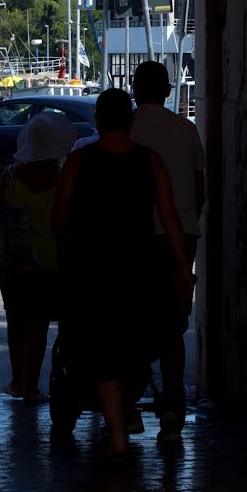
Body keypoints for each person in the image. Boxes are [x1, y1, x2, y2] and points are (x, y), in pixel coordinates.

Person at [53, 86, 192, 459]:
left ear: (98, 120)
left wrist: (64, 254)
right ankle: (133, 419)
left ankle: (116, 431)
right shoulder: (150, 160)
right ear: (130, 122)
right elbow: (170, 218)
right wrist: (182, 267)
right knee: (136, 348)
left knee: (100, 351)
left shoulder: (80, 161)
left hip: (92, 268)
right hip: (140, 267)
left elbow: (59, 215)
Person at [130, 60, 206, 442]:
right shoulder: (186, 129)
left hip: (135, 237)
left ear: (134, 88)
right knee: (174, 324)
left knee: (130, 320)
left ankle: (126, 406)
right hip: (182, 234)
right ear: (168, 90)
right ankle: (173, 410)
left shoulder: (126, 128)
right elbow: (199, 185)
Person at [0, 112, 67, 403]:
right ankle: (31, 386)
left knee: (16, 322)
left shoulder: (11, 176)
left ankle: (18, 381)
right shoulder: (62, 180)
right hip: (50, 263)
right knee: (38, 324)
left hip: (13, 261)